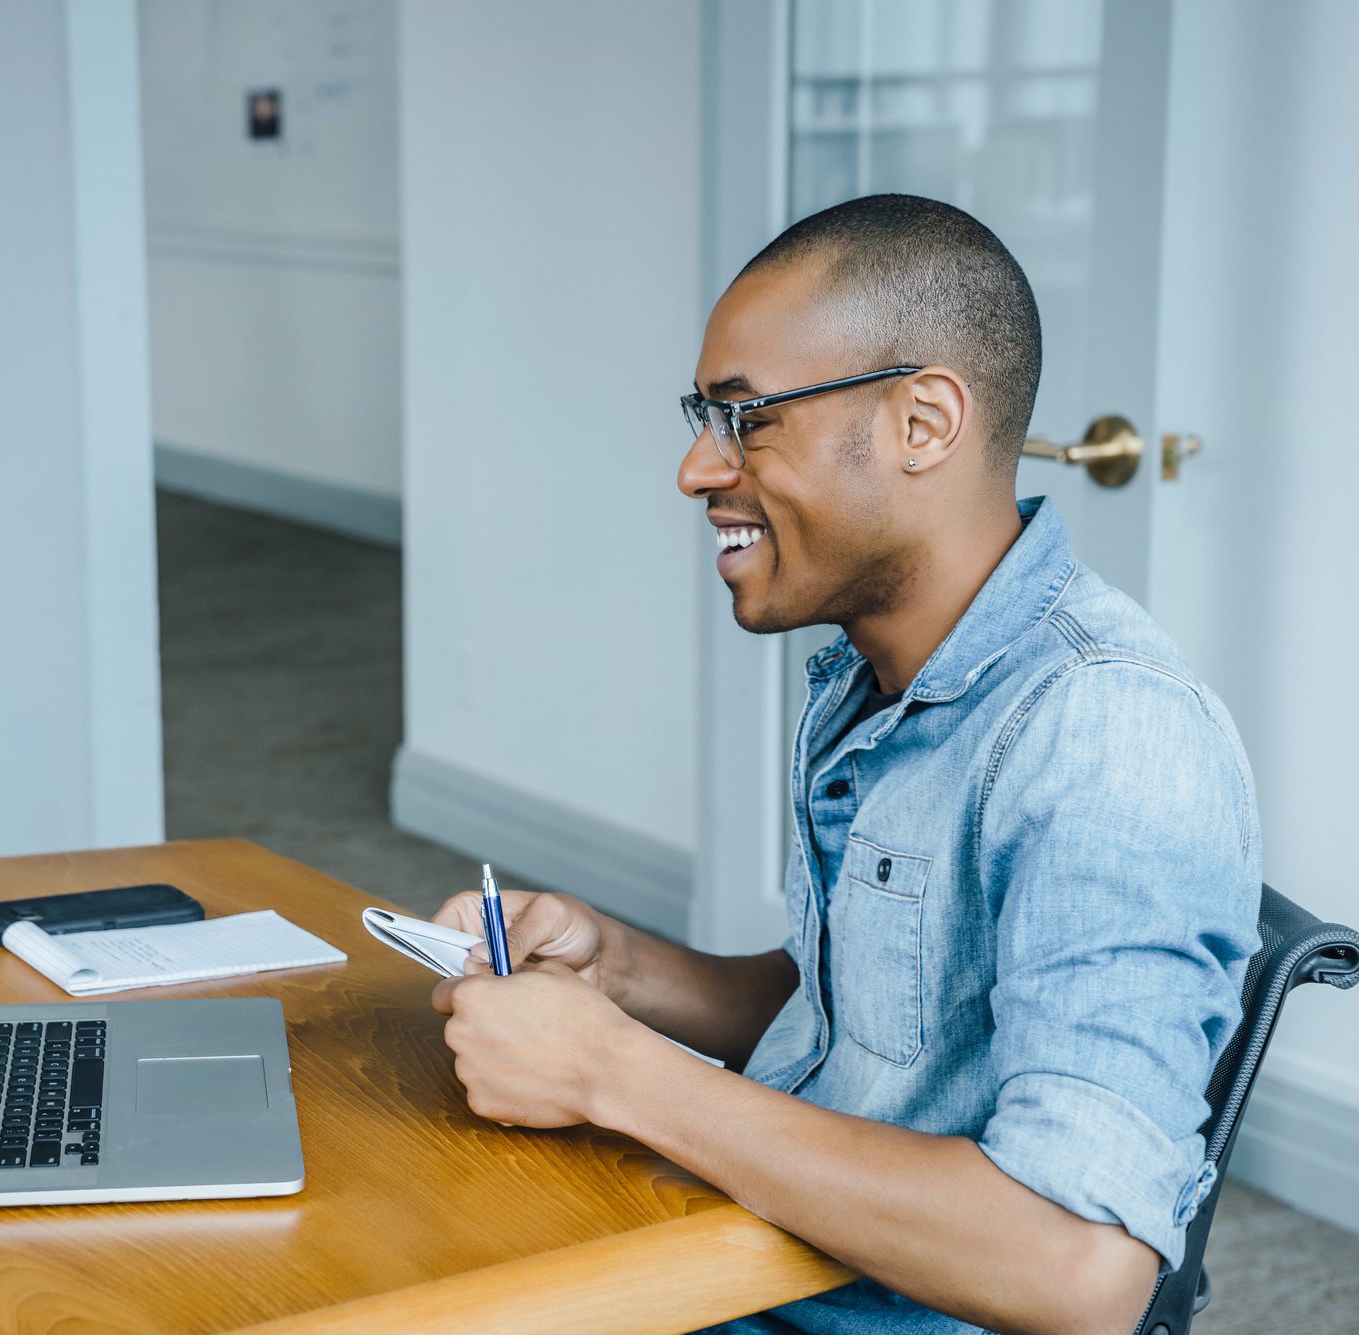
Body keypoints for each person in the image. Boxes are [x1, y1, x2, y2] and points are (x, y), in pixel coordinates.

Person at [429, 194, 1260, 1334]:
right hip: (751, 1260)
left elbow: (1079, 1268)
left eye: (744, 419)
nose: (691, 469)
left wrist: (616, 1075)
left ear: (922, 424)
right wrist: (620, 971)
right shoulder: (876, 677)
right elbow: (874, 1015)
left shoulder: (1105, 733)